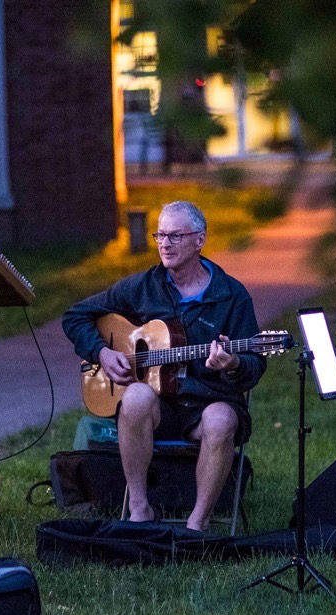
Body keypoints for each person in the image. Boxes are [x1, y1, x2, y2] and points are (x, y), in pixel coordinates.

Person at [62, 201, 266, 531]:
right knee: (135, 397)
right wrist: (102, 353)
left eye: (175, 236)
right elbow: (75, 316)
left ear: (199, 240)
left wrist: (232, 364)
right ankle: (139, 510)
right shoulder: (143, 287)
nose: (165, 244)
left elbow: (254, 364)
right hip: (159, 409)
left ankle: (196, 525)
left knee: (220, 418)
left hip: (209, 402)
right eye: (160, 235)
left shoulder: (231, 295)